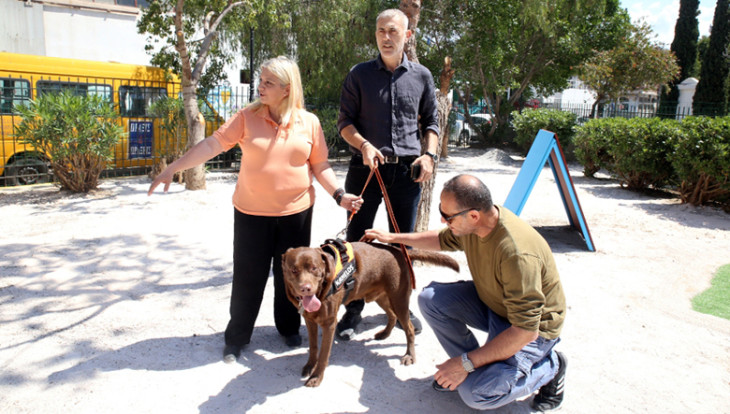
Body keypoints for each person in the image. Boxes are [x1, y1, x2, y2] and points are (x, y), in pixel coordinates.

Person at [148, 56, 363, 363]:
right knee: (248, 276)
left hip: (296, 213)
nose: (260, 87)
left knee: (291, 274)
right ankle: (236, 338)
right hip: (251, 214)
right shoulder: (246, 117)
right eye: (260, 81)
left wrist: (339, 194)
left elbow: (320, 165)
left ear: (287, 89)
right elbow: (212, 145)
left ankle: (289, 328)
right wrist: (174, 167)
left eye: (267, 83)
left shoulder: (309, 123)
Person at [362, 174, 567, 411]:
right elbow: (440, 239)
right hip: (497, 306)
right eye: (442, 210)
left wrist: (464, 363)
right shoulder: (475, 225)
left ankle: (551, 367)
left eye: (448, 216)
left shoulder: (516, 254)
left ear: (473, 215)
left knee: (477, 395)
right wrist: (395, 239)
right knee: (431, 300)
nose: (442, 219)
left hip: (531, 330)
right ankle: (473, 370)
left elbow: (525, 332)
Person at [335, 8, 440, 341]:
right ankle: (352, 310)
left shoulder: (422, 76)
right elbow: (344, 124)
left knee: (402, 241)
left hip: (407, 173)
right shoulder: (359, 74)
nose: (386, 36)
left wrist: (429, 155)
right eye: (381, 31)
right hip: (365, 169)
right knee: (356, 241)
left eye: (393, 30)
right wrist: (364, 145)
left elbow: (432, 124)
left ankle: (401, 307)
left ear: (407, 35)